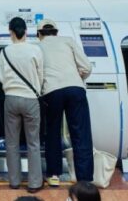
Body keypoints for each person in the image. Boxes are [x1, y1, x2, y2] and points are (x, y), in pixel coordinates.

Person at [37, 19, 93, 186]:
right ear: (56, 32)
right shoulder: (68, 41)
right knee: (81, 133)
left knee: (52, 131)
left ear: (39, 34)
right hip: (75, 89)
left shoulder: (37, 46)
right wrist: (77, 77)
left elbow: (38, 72)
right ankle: (85, 178)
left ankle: (54, 175)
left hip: (52, 91)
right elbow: (87, 67)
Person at [0, 17, 45, 192]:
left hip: (10, 99)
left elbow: (1, 77)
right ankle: (34, 183)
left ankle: (14, 181)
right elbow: (40, 74)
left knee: (11, 142)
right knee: (33, 142)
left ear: (11, 32)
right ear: (26, 32)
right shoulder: (35, 50)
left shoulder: (4, 52)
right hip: (31, 99)